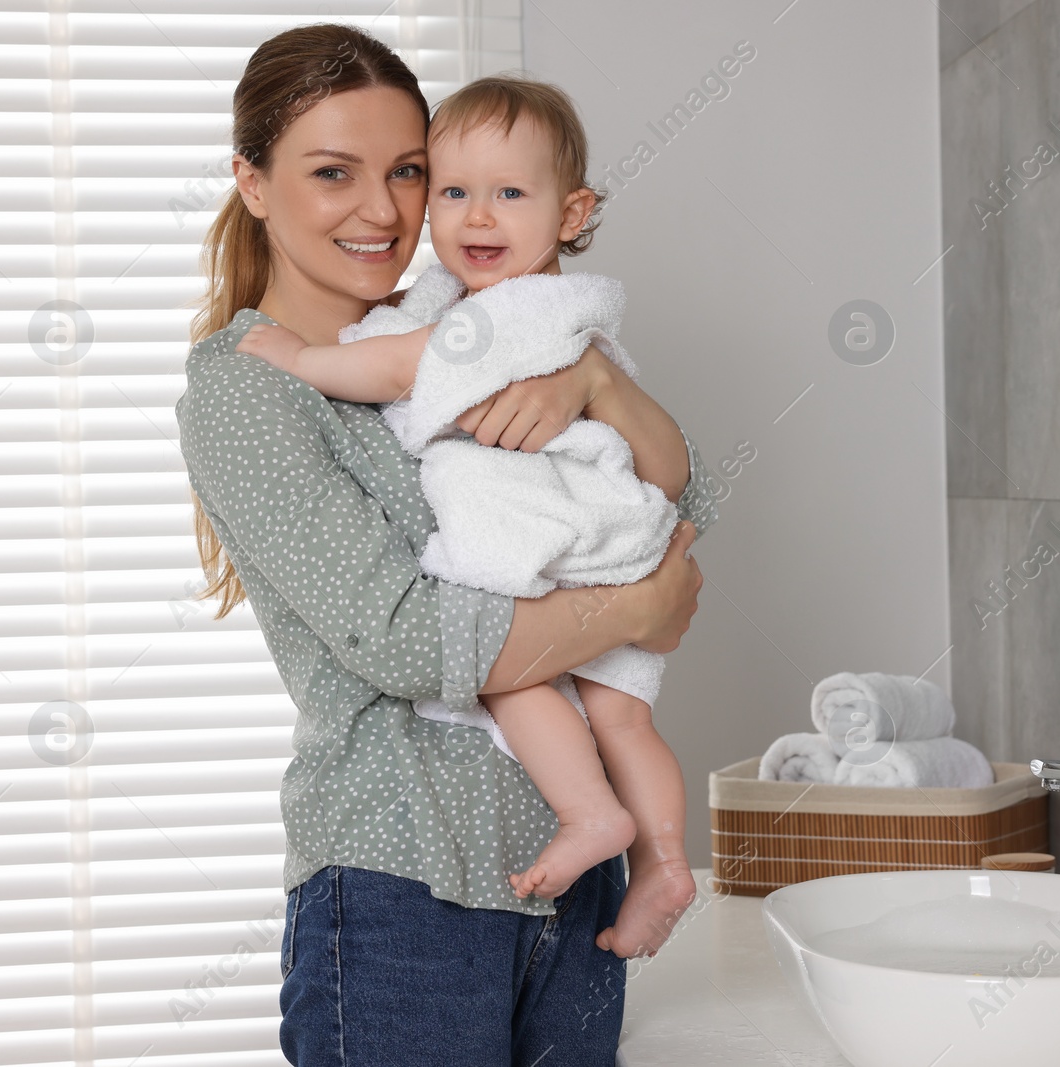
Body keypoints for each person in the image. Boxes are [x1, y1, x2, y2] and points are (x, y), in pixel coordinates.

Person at [173, 23, 717, 1066]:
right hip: (401, 884)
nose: (382, 210)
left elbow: (670, 507)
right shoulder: (252, 385)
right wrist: (638, 610)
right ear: (251, 181)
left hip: (573, 884)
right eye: (333, 173)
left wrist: (599, 384)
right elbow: (412, 641)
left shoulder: (470, 322)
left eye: (408, 172)